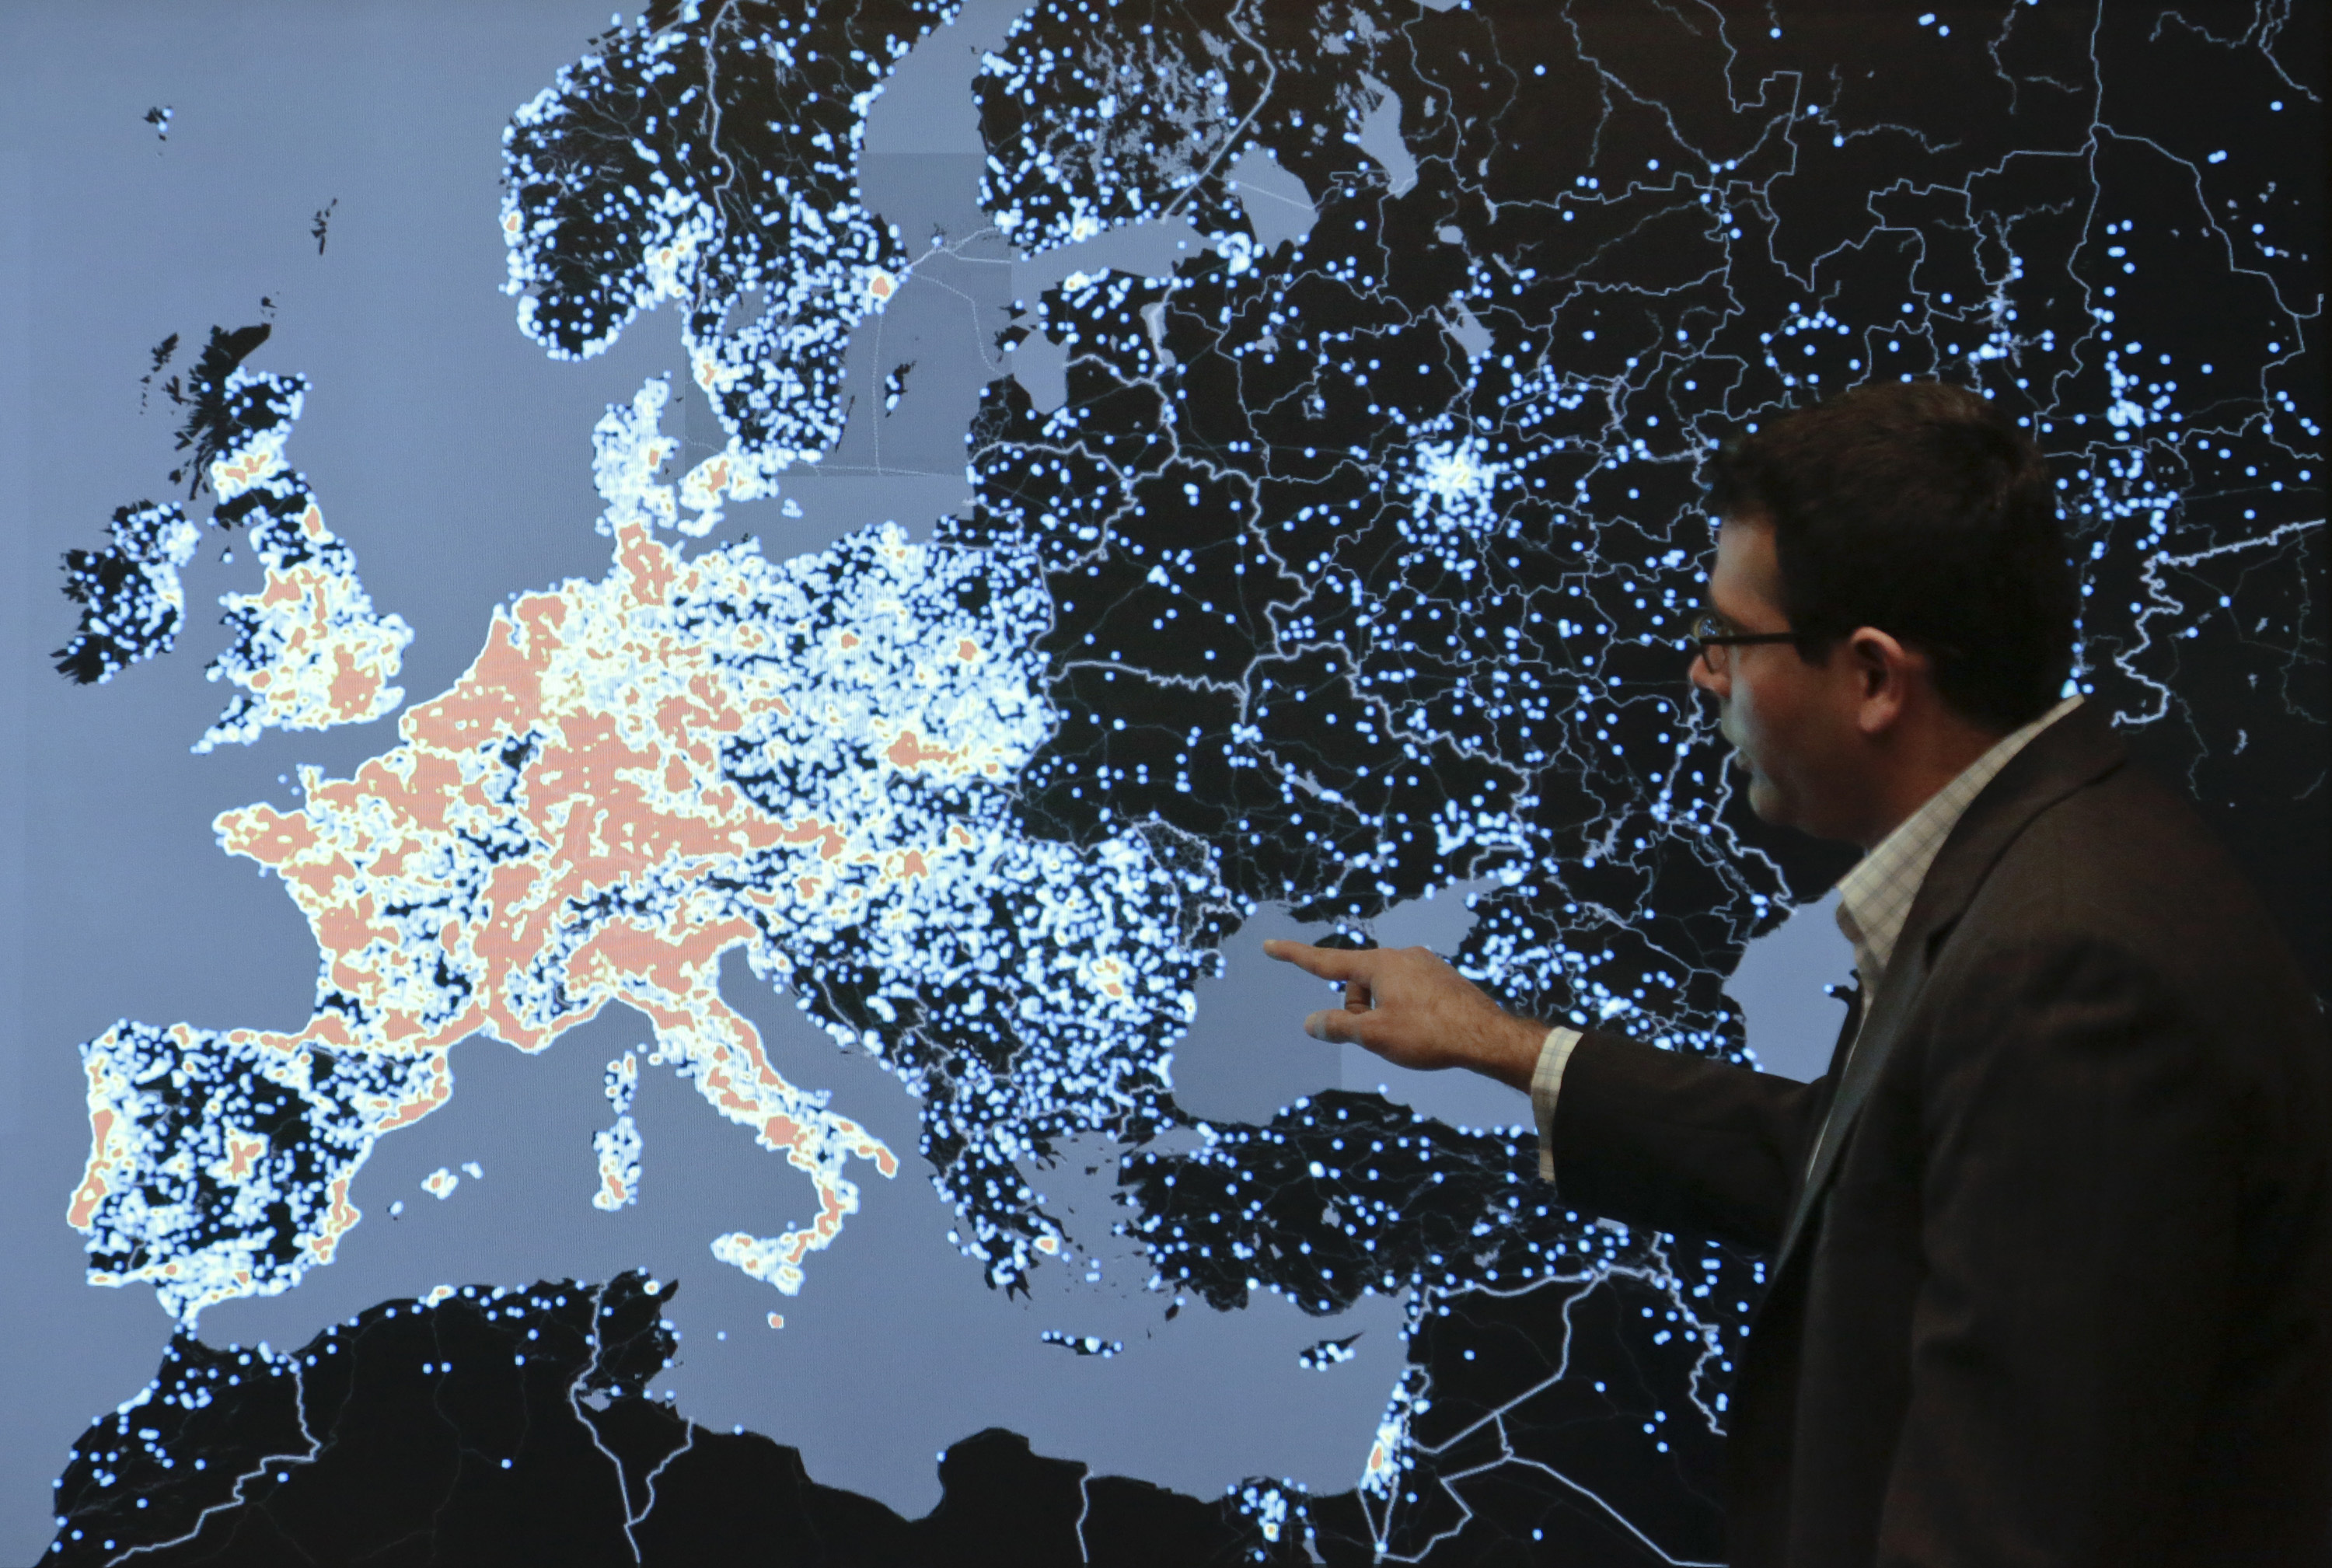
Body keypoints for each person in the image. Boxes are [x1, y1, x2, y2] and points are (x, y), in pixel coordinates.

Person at [1265, 380, 2330, 1566]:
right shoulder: (2044, 871)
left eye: (1731, 636)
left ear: (1875, 677)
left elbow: (2008, 1526)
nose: (1702, 674)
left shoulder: (2067, 972)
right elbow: (1861, 1166)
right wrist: (1501, 1042)